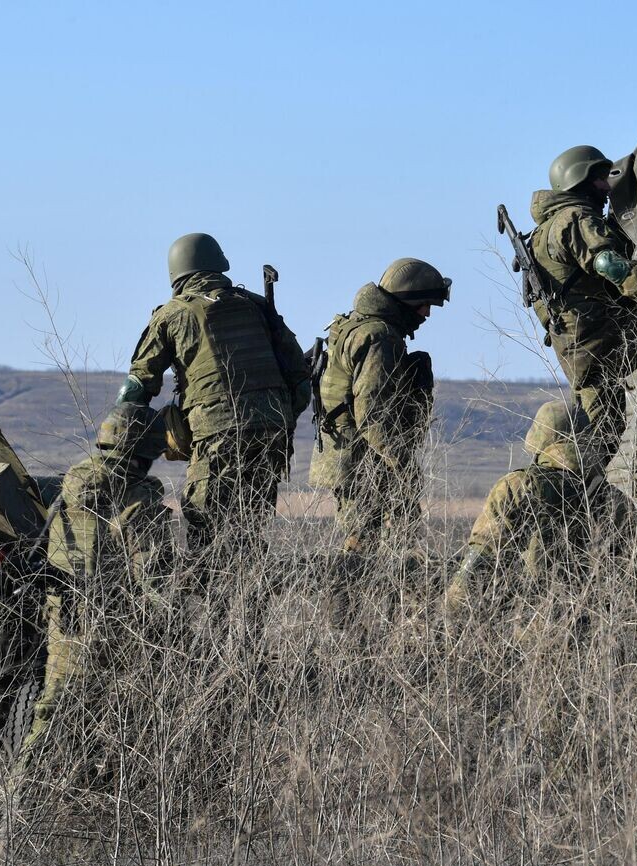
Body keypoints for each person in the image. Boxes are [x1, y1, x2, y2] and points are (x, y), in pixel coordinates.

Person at [119, 233, 310, 558]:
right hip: (272, 436)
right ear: (219, 265)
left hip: (216, 436)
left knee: (205, 529)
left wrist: (118, 447)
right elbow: (301, 381)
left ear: (176, 274)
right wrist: (277, 417)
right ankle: (254, 603)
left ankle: (211, 606)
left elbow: (136, 389)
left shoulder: (172, 314)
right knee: (249, 531)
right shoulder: (257, 305)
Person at [23, 402, 174, 754]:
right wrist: (170, 626)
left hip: (65, 616)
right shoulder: (136, 497)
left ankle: (25, 796)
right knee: (120, 720)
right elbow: (152, 577)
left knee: (55, 708)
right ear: (147, 449)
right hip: (115, 624)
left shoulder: (71, 486)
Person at [308, 258, 449, 555]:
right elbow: (374, 414)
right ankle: (351, 601)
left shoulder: (356, 326)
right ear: (404, 301)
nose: (427, 313)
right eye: (424, 304)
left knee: (366, 545)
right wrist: (403, 465)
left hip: (353, 454)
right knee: (371, 550)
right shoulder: (380, 337)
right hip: (367, 462)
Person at [444, 399, 636, 611]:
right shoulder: (617, 502)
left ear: (540, 438)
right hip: (597, 634)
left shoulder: (519, 487)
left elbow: (479, 565)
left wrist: (449, 620)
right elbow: (630, 587)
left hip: (525, 629)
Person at [529, 146, 637, 461]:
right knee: (602, 435)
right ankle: (575, 497)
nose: (607, 188)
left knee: (596, 426)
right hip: (595, 341)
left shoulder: (543, 231)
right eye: (599, 179)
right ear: (579, 182)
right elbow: (607, 262)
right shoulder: (575, 217)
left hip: (578, 343)